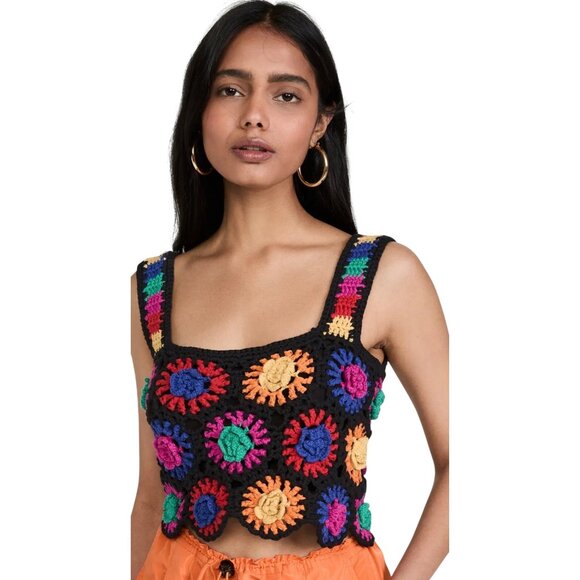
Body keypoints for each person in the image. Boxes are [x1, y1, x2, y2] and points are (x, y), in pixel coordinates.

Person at [130, 1, 449, 578]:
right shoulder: (153, 290)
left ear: (321, 124)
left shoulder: (380, 276)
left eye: (286, 96)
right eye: (230, 91)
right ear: (199, 110)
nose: (254, 116)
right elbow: (153, 495)